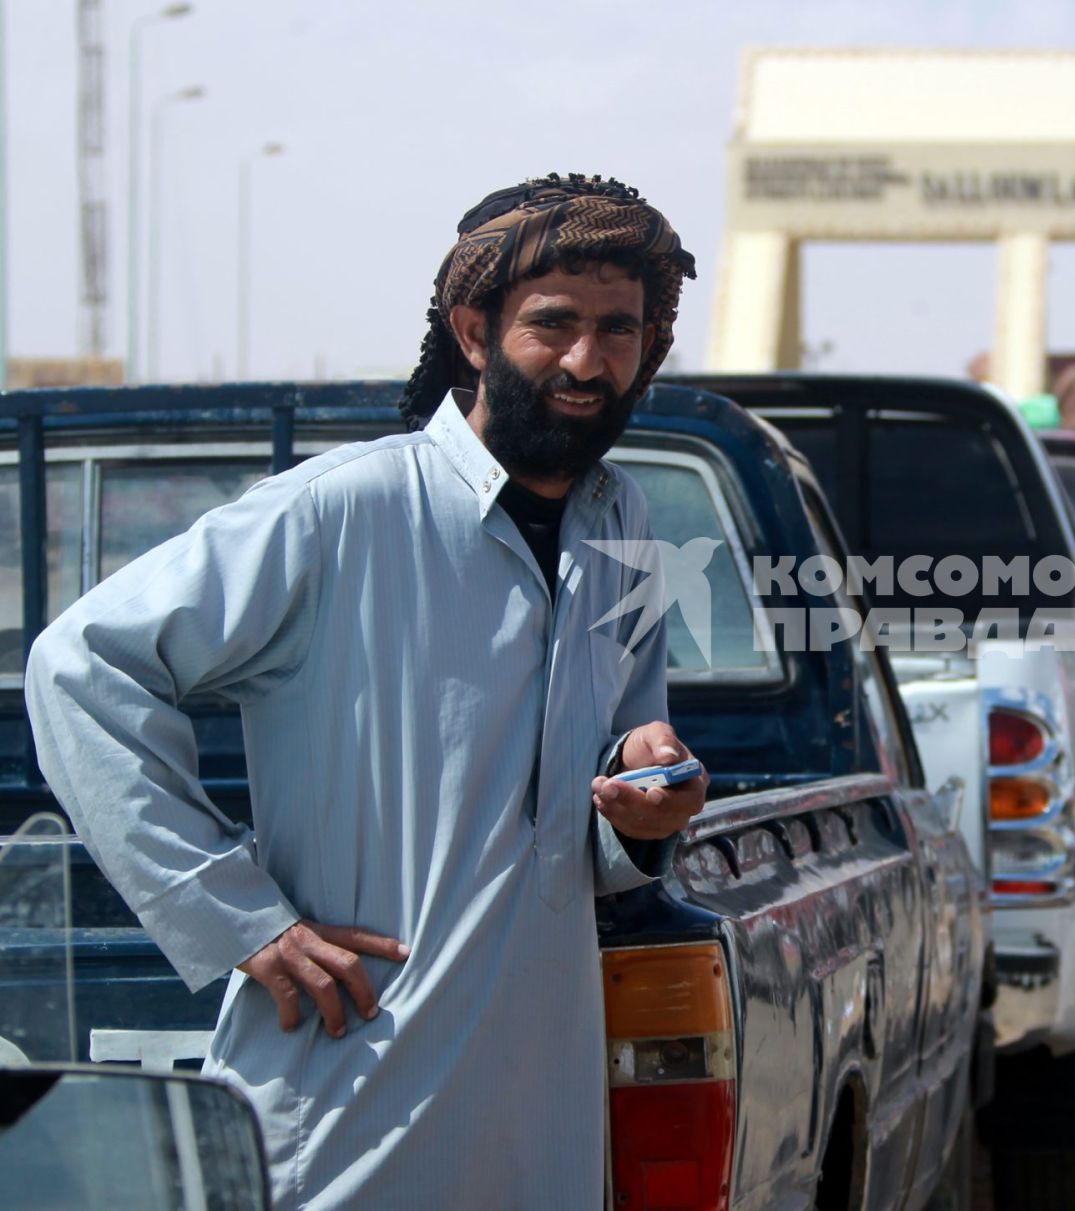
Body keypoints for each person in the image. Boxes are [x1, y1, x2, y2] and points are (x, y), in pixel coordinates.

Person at [25, 174, 707, 1210]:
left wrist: (648, 812)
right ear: (473, 330)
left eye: (620, 327)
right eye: (553, 323)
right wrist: (236, 916)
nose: (587, 358)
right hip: (349, 1108)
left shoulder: (626, 532)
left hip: (540, 1126)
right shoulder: (346, 510)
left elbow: (594, 835)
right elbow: (79, 666)